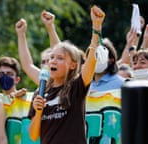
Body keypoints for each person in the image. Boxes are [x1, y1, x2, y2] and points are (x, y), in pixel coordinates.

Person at [26, 5, 105, 144]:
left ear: (73, 65)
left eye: (60, 58)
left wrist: (96, 28)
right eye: (51, 58)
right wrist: (38, 112)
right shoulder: (40, 92)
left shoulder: (76, 87)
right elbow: (33, 136)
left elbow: (91, 61)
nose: (53, 62)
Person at [0, 56, 38, 144]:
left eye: (10, 74)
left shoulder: (29, 98)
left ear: (17, 79)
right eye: (2, 74)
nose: (5, 76)